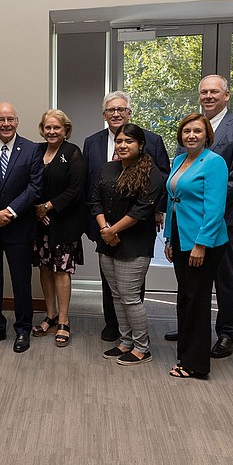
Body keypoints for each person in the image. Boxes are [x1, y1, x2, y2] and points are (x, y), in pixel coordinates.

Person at [164, 75, 233, 359]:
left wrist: (208, 208)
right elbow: (181, 174)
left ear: (226, 95)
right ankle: (193, 326)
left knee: (223, 276)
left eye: (214, 91)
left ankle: (227, 332)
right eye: (204, 91)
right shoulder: (191, 128)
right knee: (191, 279)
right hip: (187, 218)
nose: (208, 96)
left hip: (222, 217)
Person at [83, 91, 170, 341]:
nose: (116, 114)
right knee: (110, 281)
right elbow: (91, 184)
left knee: (130, 284)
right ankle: (114, 325)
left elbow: (162, 177)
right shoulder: (92, 142)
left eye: (121, 109)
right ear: (104, 114)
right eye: (111, 110)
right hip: (103, 224)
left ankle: (135, 333)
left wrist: (157, 210)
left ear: (130, 112)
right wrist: (100, 225)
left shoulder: (151, 140)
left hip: (136, 224)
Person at [0, 102, 43, 353]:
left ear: (17, 121)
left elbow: (34, 187)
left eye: (10, 119)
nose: (5, 124)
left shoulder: (32, 150)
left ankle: (23, 330)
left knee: (21, 281)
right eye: (0, 119)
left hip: (19, 226)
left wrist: (10, 212)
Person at [90, 124, 164, 365]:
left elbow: (141, 210)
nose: (122, 145)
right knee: (116, 295)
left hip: (134, 243)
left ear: (140, 145)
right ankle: (125, 341)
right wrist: (104, 229)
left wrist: (112, 230)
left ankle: (142, 347)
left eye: (128, 142)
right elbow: (95, 201)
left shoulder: (151, 173)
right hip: (107, 240)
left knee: (130, 297)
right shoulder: (108, 168)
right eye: (119, 141)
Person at [164, 113, 229, 379]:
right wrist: (169, 237)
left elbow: (215, 209)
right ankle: (186, 353)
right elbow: (172, 201)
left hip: (204, 241)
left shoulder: (214, 163)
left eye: (197, 131)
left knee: (198, 300)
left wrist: (201, 244)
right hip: (180, 237)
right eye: (187, 131)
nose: (191, 135)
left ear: (207, 135)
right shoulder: (180, 160)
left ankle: (196, 364)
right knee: (185, 297)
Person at [30, 109, 86, 347]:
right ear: (42, 130)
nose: (51, 131)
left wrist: (48, 207)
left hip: (63, 222)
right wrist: (36, 209)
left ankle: (64, 320)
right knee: (44, 267)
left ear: (66, 130)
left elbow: (76, 189)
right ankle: (50, 315)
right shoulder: (36, 151)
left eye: (57, 127)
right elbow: (27, 182)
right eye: (48, 127)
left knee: (61, 270)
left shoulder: (72, 153)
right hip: (39, 223)